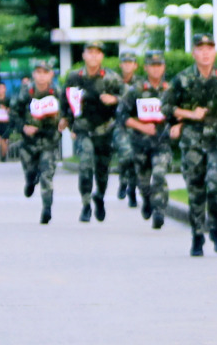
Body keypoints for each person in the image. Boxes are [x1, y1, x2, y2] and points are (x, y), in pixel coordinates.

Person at [163, 32, 217, 256]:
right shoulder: (182, 79)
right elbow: (167, 107)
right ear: (194, 53)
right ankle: (197, 236)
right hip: (193, 137)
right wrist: (190, 114)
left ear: (215, 52)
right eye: (201, 49)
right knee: (196, 188)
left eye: (209, 48)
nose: (205, 53)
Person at [62, 41, 124, 223]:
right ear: (83, 55)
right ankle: (86, 203)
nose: (94, 56)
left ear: (102, 56)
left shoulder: (111, 78)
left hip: (105, 130)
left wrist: (114, 99)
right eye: (90, 52)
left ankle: (99, 197)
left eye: (98, 53)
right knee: (86, 163)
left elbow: (128, 98)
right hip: (83, 129)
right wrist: (64, 120)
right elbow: (65, 102)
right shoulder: (75, 77)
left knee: (102, 171)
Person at [115, 51, 175, 230]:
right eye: (152, 65)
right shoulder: (136, 91)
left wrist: (177, 127)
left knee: (159, 175)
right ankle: (147, 200)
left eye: (159, 65)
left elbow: (178, 113)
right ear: (146, 67)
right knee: (143, 182)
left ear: (163, 67)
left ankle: (159, 211)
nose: (156, 69)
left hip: (162, 143)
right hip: (140, 144)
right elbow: (122, 116)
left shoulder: (170, 90)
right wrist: (141, 127)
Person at [15, 61, 67, 224]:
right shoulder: (26, 92)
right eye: (38, 72)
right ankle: (30, 181)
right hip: (29, 143)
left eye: (46, 72)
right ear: (34, 75)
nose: (42, 76)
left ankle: (46, 209)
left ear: (51, 74)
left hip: (49, 141)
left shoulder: (58, 93)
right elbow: (13, 114)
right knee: (31, 171)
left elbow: (69, 111)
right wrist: (23, 127)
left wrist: (65, 122)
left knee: (47, 175)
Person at [113, 53, 141, 205]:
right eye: (125, 62)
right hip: (120, 125)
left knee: (135, 158)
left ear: (135, 65)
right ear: (121, 65)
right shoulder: (113, 82)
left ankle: (132, 190)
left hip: (137, 125)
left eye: (131, 62)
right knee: (125, 155)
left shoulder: (141, 83)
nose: (128, 65)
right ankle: (123, 181)